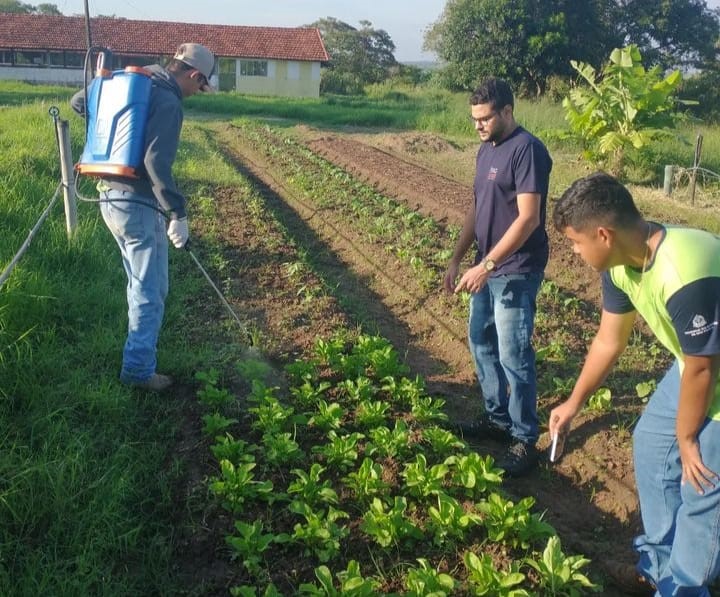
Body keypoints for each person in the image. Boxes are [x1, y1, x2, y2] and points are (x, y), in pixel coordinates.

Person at [550, 172, 720, 595]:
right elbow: (610, 340)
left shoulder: (686, 269)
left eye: (575, 241)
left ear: (603, 234)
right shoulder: (622, 264)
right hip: (695, 364)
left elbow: (704, 370)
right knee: (650, 444)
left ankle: (684, 586)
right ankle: (659, 564)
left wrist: (688, 437)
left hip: (707, 370)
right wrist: (573, 403)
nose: (572, 251)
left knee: (701, 483)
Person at [71, 43, 215, 391]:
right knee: (148, 290)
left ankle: (139, 358)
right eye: (201, 86)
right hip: (135, 201)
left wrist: (115, 119)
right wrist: (177, 213)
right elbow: (156, 163)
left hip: (108, 193)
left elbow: (78, 103)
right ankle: (137, 372)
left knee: (144, 284)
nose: (197, 93)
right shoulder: (168, 100)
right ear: (194, 75)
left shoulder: (135, 81)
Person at [443, 78, 552, 476]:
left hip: (516, 270)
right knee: (480, 341)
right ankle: (497, 419)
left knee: (513, 353)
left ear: (507, 111)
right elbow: (476, 209)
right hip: (484, 266)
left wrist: (486, 266)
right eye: (474, 119)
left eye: (485, 118)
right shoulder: (485, 152)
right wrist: (457, 259)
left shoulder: (528, 150)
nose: (479, 126)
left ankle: (525, 438)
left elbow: (528, 219)